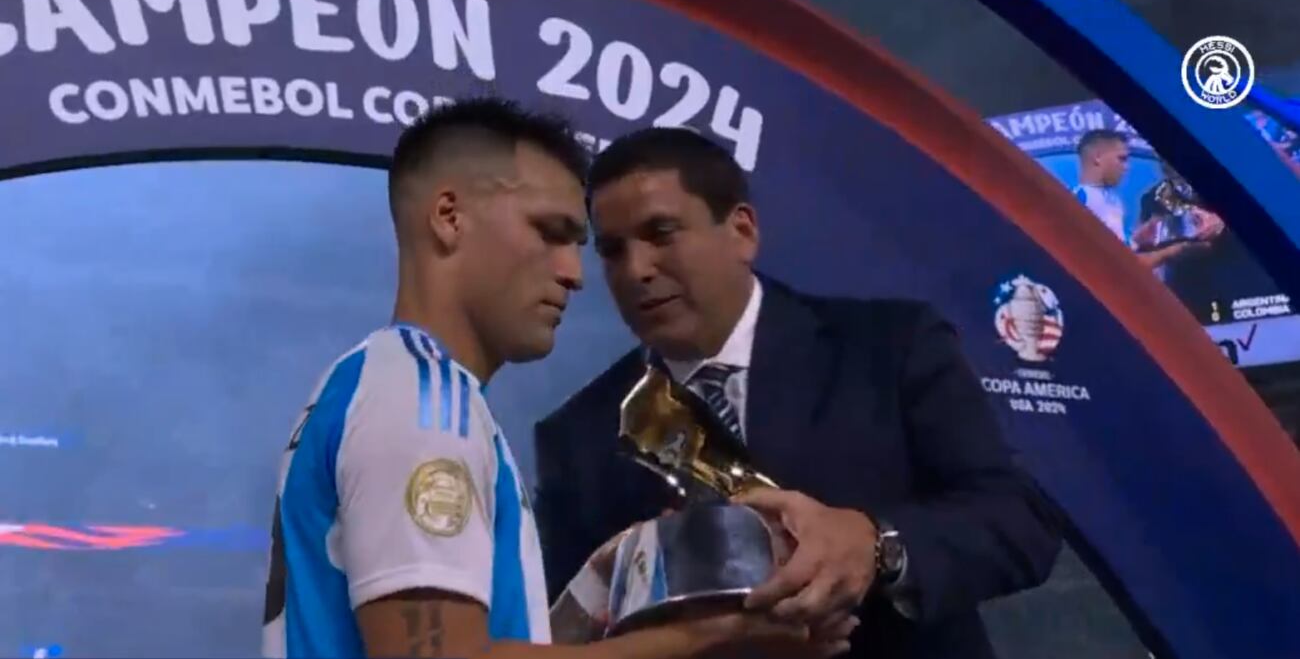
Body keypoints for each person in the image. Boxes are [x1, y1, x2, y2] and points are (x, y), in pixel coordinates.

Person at [260, 99, 841, 659]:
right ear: (449, 217)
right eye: (549, 233)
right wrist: (707, 639)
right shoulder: (424, 404)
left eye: (578, 246)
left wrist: (605, 582)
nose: (573, 274)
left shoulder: (373, 382)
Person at [533, 127, 1064, 659]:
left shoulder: (890, 346)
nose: (636, 270)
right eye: (613, 250)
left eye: (661, 233)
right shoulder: (580, 438)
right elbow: (570, 635)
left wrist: (875, 546)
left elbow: (1018, 522)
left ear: (742, 230)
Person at [1073, 129, 1200, 272]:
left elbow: (1120, 250)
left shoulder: (1113, 200)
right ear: (1098, 157)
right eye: (1121, 159)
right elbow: (1114, 264)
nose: (1126, 167)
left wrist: (1137, 239)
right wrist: (1171, 251)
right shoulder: (1079, 201)